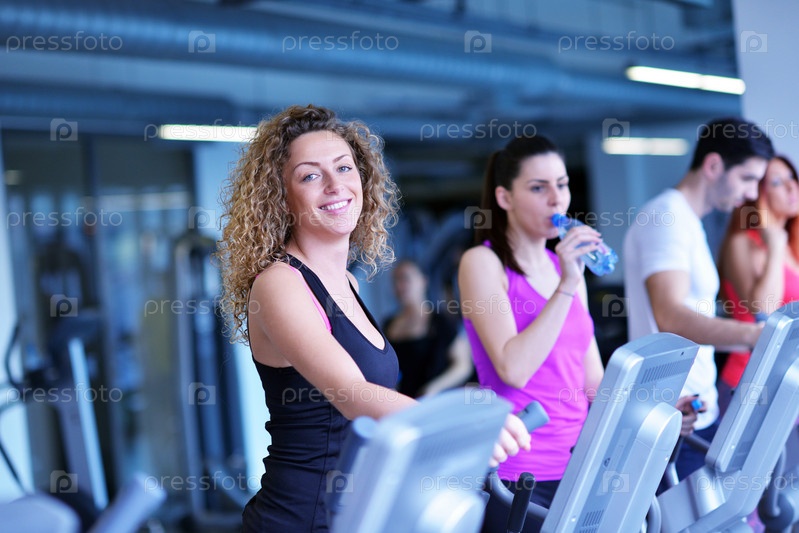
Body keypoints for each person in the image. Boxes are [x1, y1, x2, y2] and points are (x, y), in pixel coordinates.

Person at [214, 104, 531, 532]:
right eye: (310, 176)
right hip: (301, 517)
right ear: (280, 198)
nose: (335, 185)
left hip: (357, 510)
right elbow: (350, 393)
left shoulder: (347, 282)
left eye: (344, 168)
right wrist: (460, 430)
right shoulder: (279, 284)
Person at [458, 135, 605, 532]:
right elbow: (514, 368)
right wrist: (567, 285)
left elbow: (593, 381)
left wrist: (654, 408)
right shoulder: (482, 262)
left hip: (578, 468)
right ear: (505, 198)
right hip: (519, 474)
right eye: (539, 188)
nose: (556, 200)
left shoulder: (566, 270)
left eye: (562, 184)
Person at [623, 117, 775, 480]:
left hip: (697, 408)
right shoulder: (666, 217)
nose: (751, 194)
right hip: (673, 416)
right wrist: (754, 335)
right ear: (713, 165)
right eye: (747, 178)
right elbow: (671, 316)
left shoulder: (688, 220)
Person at [717, 155, 799, 404]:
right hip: (751, 382)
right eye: (776, 182)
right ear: (758, 194)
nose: (791, 187)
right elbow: (764, 310)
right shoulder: (742, 242)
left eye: (792, 177)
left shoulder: (792, 245)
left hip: (787, 380)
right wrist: (774, 246)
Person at [383, 258, 473, 397]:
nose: (400, 286)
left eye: (405, 278)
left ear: (423, 281)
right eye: (395, 281)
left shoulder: (441, 321)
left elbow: (463, 366)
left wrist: (433, 388)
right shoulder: (388, 324)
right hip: (402, 403)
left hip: (435, 401)